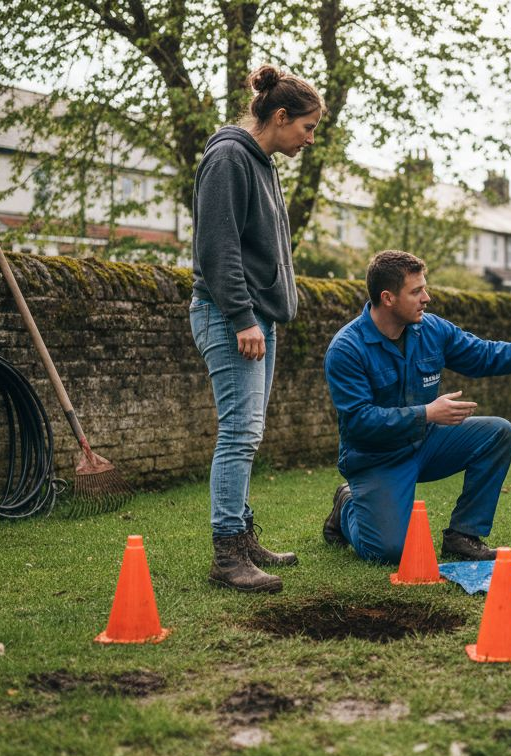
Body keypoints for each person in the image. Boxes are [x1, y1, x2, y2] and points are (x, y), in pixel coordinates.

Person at [322, 250, 511, 564]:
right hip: (376, 457)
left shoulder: (431, 329)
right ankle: (346, 504)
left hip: (425, 443)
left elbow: (483, 355)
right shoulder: (347, 348)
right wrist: (426, 413)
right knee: (390, 552)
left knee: (498, 432)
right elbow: (359, 421)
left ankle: (463, 535)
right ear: (388, 298)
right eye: (416, 291)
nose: (426, 298)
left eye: (424, 288)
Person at [189, 65, 324, 593]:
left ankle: (242, 539)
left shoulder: (262, 162)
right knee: (239, 433)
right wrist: (244, 318)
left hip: (256, 317)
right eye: (307, 128)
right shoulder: (227, 157)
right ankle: (227, 556)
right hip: (229, 317)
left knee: (249, 432)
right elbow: (216, 246)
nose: (309, 140)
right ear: (281, 116)